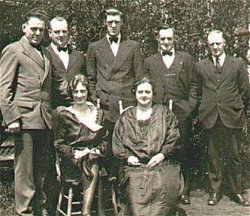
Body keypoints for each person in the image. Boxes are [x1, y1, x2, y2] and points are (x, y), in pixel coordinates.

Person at [0, 8, 52, 215]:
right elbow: (4, 89)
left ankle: (39, 211)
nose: (37, 33)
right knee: (25, 174)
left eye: (41, 30)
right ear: (24, 28)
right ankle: (24, 212)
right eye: (33, 29)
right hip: (23, 121)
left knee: (41, 172)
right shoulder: (13, 50)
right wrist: (11, 117)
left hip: (44, 120)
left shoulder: (45, 52)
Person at [112, 77, 184, 216]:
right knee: (136, 187)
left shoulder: (164, 113)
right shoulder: (126, 117)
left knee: (163, 184)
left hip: (161, 163)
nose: (144, 95)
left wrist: (161, 154)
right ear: (135, 94)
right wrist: (128, 157)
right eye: (140, 92)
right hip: (134, 167)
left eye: (147, 91)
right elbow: (117, 143)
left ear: (152, 93)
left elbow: (173, 137)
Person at [144, 24, 199, 204]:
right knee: (161, 149)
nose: (166, 42)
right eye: (163, 39)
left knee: (183, 149)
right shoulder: (150, 61)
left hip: (181, 112)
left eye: (169, 38)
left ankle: (184, 190)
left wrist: (189, 107)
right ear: (158, 40)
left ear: (174, 39)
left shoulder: (186, 59)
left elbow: (193, 85)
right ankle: (164, 189)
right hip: (159, 113)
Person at [86, 7, 143, 178]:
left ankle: (125, 188)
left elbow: (139, 78)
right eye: (110, 22)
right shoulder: (94, 47)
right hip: (104, 105)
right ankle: (106, 189)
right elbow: (91, 79)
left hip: (126, 105)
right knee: (107, 147)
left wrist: (133, 102)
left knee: (127, 145)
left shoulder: (133, 46)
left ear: (122, 23)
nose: (113, 25)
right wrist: (97, 99)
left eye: (116, 22)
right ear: (105, 23)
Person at [196, 30, 250, 206]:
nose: (215, 47)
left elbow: (245, 90)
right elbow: (197, 91)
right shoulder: (201, 65)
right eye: (211, 44)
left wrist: (236, 106)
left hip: (231, 116)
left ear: (224, 43)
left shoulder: (237, 64)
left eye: (218, 43)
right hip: (210, 116)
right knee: (213, 156)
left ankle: (237, 192)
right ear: (208, 45)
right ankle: (214, 191)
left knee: (234, 156)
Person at [53, 74, 109, 216]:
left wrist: (97, 150)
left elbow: (105, 140)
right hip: (72, 161)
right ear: (71, 93)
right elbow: (59, 143)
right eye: (76, 92)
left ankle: (86, 212)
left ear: (87, 92)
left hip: (94, 157)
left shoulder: (98, 114)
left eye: (82, 91)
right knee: (91, 162)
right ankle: (86, 212)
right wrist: (74, 154)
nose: (79, 95)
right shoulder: (65, 114)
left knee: (92, 159)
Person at [47, 16, 85, 108]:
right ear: (49, 33)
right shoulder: (44, 54)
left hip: (77, 111)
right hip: (52, 112)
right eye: (57, 32)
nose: (61, 35)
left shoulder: (78, 56)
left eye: (64, 31)